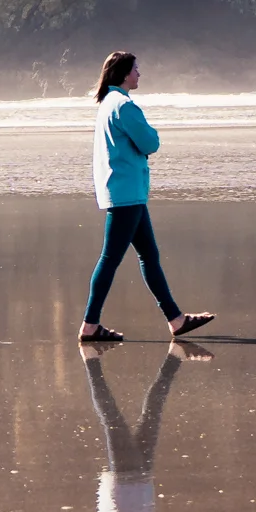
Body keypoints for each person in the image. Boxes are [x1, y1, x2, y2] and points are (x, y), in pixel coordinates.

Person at [81, 50, 213, 344]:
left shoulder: (108, 103)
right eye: (136, 69)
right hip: (126, 192)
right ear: (124, 73)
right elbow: (150, 142)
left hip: (125, 191)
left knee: (148, 256)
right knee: (110, 258)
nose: (139, 73)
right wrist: (152, 134)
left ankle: (176, 320)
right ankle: (90, 325)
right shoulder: (124, 106)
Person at [81, 337, 208, 512]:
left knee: (116, 417)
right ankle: (173, 358)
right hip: (129, 487)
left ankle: (91, 362)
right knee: (139, 416)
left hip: (131, 486)